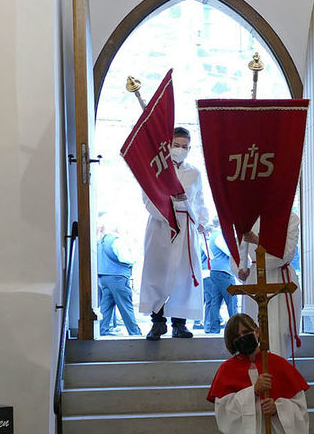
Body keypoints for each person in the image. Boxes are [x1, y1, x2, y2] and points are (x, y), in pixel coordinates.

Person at [138, 126, 208, 339]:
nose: (180, 149)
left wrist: (202, 221)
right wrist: (170, 209)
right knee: (158, 273)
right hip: (162, 228)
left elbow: (199, 201)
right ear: (168, 146)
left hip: (186, 229)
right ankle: (157, 322)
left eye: (185, 146)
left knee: (184, 276)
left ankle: (180, 322)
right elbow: (148, 200)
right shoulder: (156, 169)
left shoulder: (194, 173)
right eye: (176, 145)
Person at [232, 211, 302, 360]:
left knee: (279, 331)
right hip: (255, 279)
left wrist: (257, 241)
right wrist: (240, 269)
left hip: (280, 279)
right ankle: (256, 374)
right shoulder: (246, 217)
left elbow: (286, 254)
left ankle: (278, 373)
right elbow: (239, 249)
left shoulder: (290, 217)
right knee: (254, 328)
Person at [97, 221, 141, 336]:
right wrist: (134, 261)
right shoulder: (116, 241)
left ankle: (103, 330)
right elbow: (125, 258)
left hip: (103, 277)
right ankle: (135, 333)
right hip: (118, 277)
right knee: (126, 306)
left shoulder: (100, 242)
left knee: (106, 306)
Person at [203, 221, 238, 334]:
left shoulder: (212, 237)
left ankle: (214, 328)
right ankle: (236, 328)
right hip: (224, 272)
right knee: (231, 300)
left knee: (215, 301)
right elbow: (229, 252)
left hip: (214, 271)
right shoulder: (219, 236)